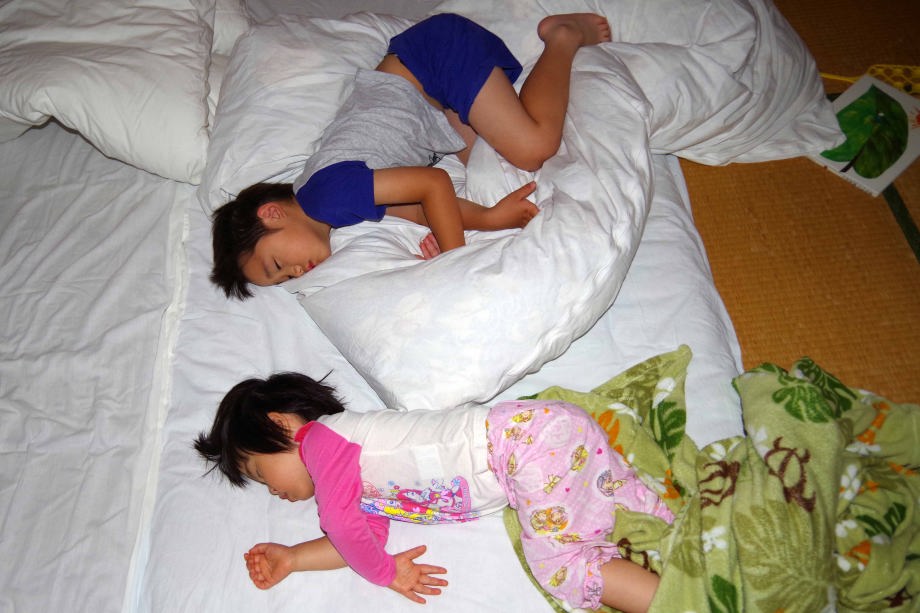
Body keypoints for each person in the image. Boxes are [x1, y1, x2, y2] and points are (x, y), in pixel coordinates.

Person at [210, 13, 612, 299]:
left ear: (272, 214)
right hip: (437, 102)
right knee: (498, 170)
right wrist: (488, 219)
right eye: (284, 279)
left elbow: (433, 183)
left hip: (433, 60)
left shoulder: (326, 196)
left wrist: (454, 259)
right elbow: (420, 209)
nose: (296, 274)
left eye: (278, 264)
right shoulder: (331, 204)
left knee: (532, 149)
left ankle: (562, 37)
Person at [194, 372, 671, 612]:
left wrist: (385, 574)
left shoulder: (321, 440)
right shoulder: (357, 479)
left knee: (560, 566)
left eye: (261, 474)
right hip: (538, 438)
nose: (272, 491)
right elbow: (357, 538)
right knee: (617, 496)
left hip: (522, 444)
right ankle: (670, 528)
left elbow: (341, 524)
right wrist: (294, 558)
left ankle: (674, 603)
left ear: (281, 425)